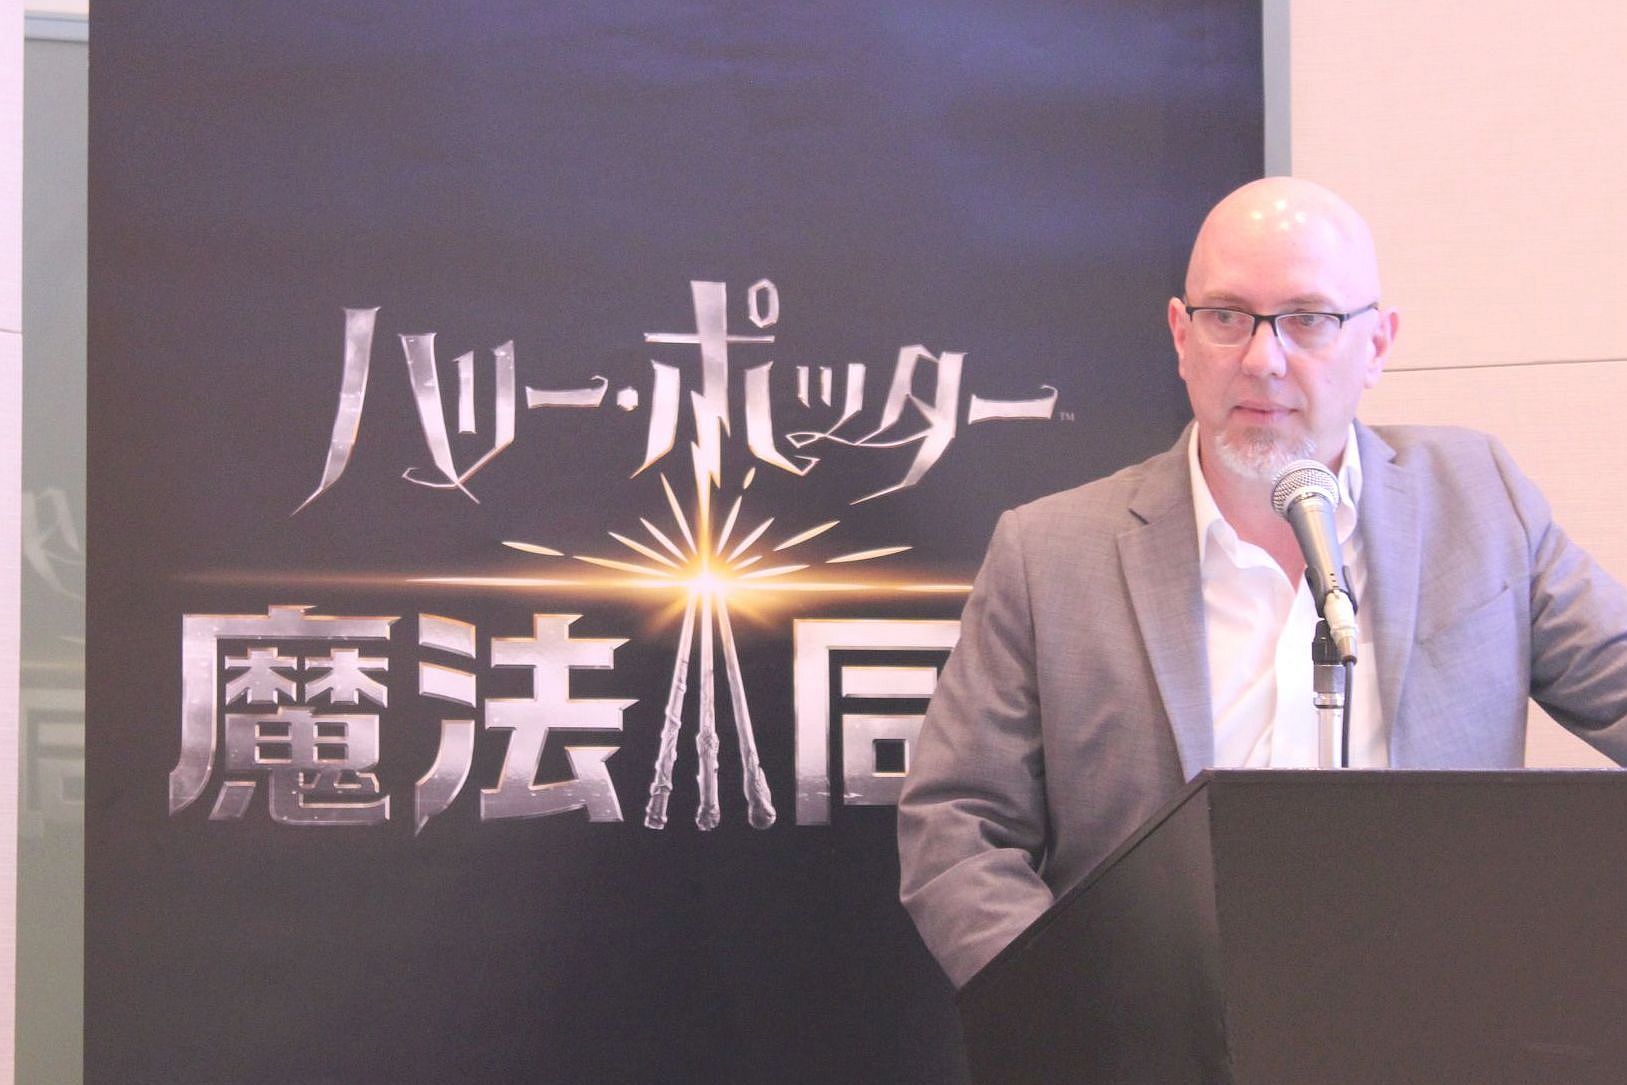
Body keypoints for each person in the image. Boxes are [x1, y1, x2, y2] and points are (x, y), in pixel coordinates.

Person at [896, 176, 1627, 988]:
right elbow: (957, 827)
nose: (1261, 359)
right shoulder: (1050, 554)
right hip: (1165, 1024)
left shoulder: (1477, 498)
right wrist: (1078, 1008)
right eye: (1226, 317)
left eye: (1307, 318)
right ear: (1180, 336)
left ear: (1376, 344)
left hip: (1442, 1010)